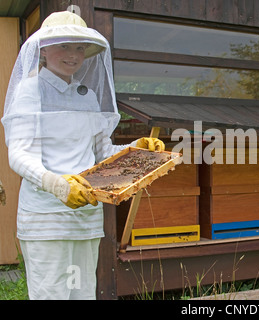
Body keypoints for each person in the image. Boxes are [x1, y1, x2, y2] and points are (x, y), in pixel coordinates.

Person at [1, 11, 164, 300]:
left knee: (82, 294)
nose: (73, 55)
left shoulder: (86, 96)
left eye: (79, 47)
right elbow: (19, 154)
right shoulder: (30, 91)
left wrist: (137, 149)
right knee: (51, 295)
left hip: (86, 217)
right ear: (44, 49)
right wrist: (58, 185)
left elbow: (102, 155)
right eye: (64, 45)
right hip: (46, 219)